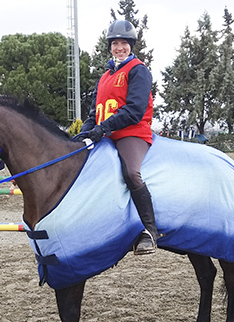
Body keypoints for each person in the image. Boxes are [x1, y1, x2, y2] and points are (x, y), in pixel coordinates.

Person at [79, 20, 158, 255]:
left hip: (132, 133)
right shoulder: (104, 77)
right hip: (106, 134)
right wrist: (82, 135)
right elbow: (93, 114)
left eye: (124, 43)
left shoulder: (138, 70)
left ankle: (150, 231)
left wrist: (104, 127)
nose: (119, 47)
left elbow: (134, 110)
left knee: (131, 173)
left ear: (131, 45)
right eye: (115, 43)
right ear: (110, 47)